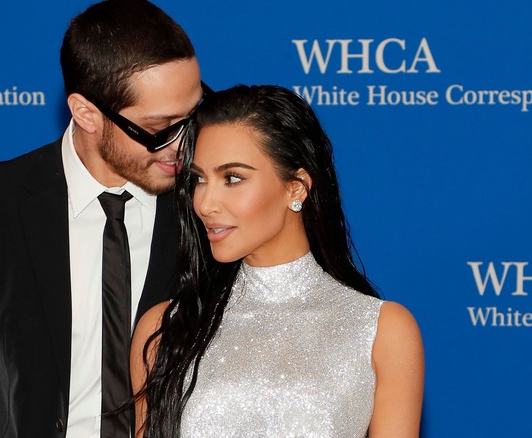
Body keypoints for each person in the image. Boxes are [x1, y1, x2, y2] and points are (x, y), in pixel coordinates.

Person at [0, 1, 205, 437]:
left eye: (192, 116)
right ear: (86, 113)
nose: (182, 143)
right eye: (160, 127)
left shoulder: (206, 203)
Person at [130, 85, 424, 437]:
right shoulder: (164, 329)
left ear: (296, 187)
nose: (205, 203)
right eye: (199, 179)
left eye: (233, 178)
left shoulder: (381, 331)